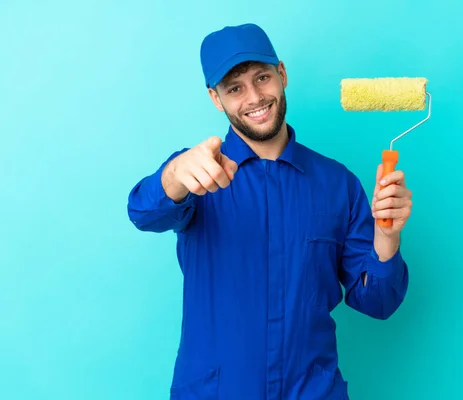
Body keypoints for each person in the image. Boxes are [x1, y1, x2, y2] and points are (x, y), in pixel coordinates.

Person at [127, 22, 412, 400]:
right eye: (234, 88)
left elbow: (378, 302)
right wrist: (174, 175)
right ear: (216, 98)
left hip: (312, 391)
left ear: (282, 74)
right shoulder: (198, 173)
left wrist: (387, 237)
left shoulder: (336, 184)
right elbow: (144, 213)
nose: (254, 97)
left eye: (262, 77)